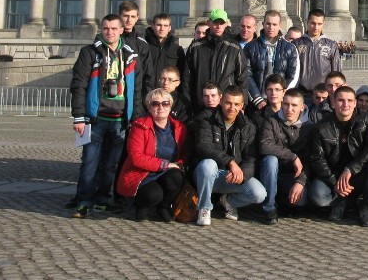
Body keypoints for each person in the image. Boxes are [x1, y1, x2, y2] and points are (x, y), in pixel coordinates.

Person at [70, 14, 142, 218]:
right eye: (105, 28)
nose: (109, 32)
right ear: (101, 30)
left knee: (111, 165)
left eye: (113, 28)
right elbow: (78, 86)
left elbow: (135, 90)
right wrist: (79, 117)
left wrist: (135, 119)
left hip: (120, 120)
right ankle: (84, 201)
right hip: (95, 119)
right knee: (89, 163)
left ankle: (102, 199)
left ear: (121, 30)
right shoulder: (89, 53)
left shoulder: (130, 55)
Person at [192, 86, 267, 226]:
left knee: (259, 194)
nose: (232, 107)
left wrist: (242, 175)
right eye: (228, 103)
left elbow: (251, 158)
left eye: (236, 104)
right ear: (221, 101)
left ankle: (228, 201)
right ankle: (204, 208)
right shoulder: (206, 120)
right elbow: (203, 147)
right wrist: (231, 163)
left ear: (242, 105)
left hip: (231, 176)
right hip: (206, 174)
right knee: (208, 164)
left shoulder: (249, 127)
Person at [309, 86, 368, 227]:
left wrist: (351, 169)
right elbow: (317, 158)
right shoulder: (322, 126)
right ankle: (341, 201)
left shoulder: (366, 120)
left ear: (355, 103)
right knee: (318, 196)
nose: (345, 104)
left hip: (359, 172)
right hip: (333, 174)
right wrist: (335, 183)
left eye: (349, 100)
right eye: (341, 100)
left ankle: (367, 207)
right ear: (333, 103)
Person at [116, 88, 189, 221]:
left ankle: (164, 206)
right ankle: (142, 206)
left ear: (170, 106)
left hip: (167, 172)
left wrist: (179, 164)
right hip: (142, 174)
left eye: (165, 103)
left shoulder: (180, 128)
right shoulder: (139, 127)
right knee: (153, 195)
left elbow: (184, 152)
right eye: (155, 104)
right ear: (149, 107)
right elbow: (136, 157)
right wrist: (165, 164)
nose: (161, 107)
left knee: (177, 177)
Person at [258, 81, 314, 224]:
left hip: (294, 176)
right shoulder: (271, 121)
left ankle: (283, 201)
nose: (289, 109)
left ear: (302, 107)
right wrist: (292, 156)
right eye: (286, 104)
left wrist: (301, 182)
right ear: (282, 103)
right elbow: (264, 145)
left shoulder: (310, 127)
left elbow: (310, 158)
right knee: (271, 159)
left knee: (301, 201)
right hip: (272, 173)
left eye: (294, 105)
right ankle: (269, 207)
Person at [185, 8, 248, 114]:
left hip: (226, 105)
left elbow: (242, 78)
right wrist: (187, 103)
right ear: (209, 23)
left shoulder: (234, 48)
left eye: (221, 23)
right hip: (200, 105)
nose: (218, 26)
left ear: (226, 24)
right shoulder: (196, 47)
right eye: (215, 22)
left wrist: (243, 104)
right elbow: (187, 78)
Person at [245, 10, 300, 110]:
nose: (271, 27)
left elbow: (293, 76)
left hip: (281, 104)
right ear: (263, 24)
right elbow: (246, 75)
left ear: (280, 25)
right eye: (268, 24)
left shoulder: (290, 48)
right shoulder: (250, 47)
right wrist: (257, 98)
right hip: (257, 103)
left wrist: (282, 97)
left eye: (274, 24)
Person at [293, 8, 341, 102]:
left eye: (319, 24)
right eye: (313, 23)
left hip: (323, 95)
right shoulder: (297, 43)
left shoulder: (331, 45)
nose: (316, 27)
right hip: (301, 93)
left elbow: (336, 71)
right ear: (307, 22)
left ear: (323, 24)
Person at [143, 13, 186, 100]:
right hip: (148, 95)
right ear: (153, 26)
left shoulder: (177, 49)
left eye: (165, 25)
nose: (162, 29)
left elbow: (183, 75)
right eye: (159, 25)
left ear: (169, 28)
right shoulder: (144, 46)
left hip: (170, 97)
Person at [118, 0, 154, 104]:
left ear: (137, 18)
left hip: (136, 99)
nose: (129, 20)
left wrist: (147, 101)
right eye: (126, 16)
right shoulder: (111, 41)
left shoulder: (142, 44)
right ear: (119, 16)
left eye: (133, 16)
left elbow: (148, 75)